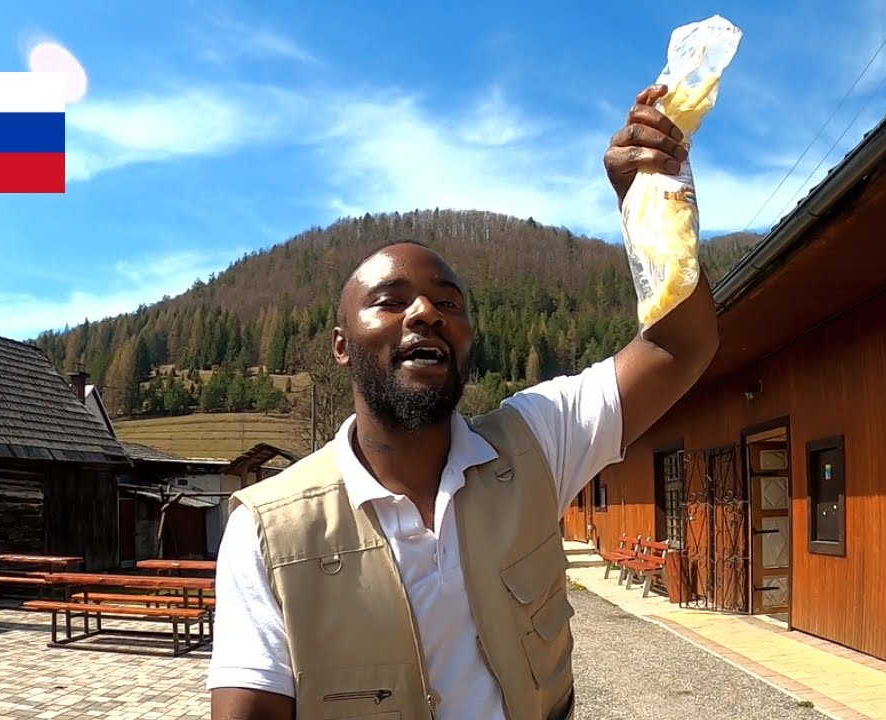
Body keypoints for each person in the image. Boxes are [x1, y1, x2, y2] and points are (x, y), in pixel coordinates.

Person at [208, 83, 718, 720]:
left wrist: (648, 201)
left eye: (448, 302)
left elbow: (680, 344)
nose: (426, 311)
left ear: (468, 339)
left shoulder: (537, 442)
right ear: (341, 346)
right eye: (391, 301)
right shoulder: (267, 528)